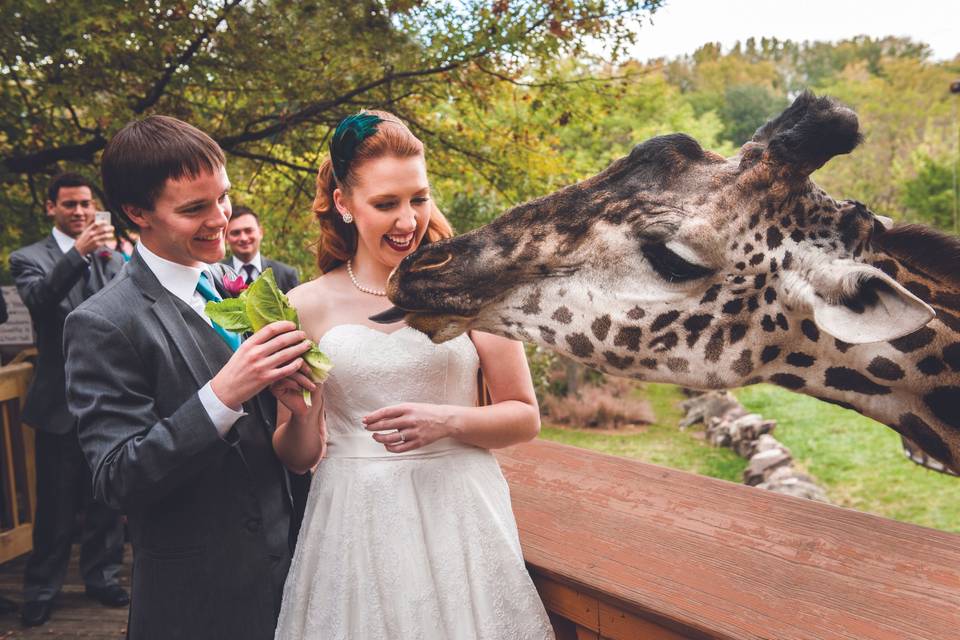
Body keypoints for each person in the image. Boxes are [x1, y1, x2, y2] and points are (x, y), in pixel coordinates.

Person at [271, 111, 555, 639]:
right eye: (386, 204)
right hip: (352, 521)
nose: (408, 221)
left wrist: (448, 421)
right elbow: (296, 455)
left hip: (460, 517)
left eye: (418, 198)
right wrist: (304, 414)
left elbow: (524, 417)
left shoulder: (470, 292)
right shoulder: (302, 306)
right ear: (344, 204)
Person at [62, 116, 315, 640]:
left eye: (222, 197)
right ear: (137, 213)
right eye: (194, 208)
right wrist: (223, 395)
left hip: (290, 576)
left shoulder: (232, 286)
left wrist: (300, 403)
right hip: (196, 602)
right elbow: (116, 478)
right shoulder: (102, 322)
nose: (221, 218)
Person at [8, 172, 127, 627]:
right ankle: (41, 588)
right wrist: (78, 254)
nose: (79, 212)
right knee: (55, 508)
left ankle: (102, 577)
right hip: (58, 401)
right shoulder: (28, 258)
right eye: (69, 205)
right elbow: (40, 300)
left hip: (108, 397)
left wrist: (117, 258)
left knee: (105, 500)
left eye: (85, 204)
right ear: (50, 207)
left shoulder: (110, 257)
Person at [223, 206, 299, 292]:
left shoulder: (286, 275)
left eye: (248, 230)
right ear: (225, 237)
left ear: (261, 232)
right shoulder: (217, 274)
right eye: (236, 233)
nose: (243, 238)